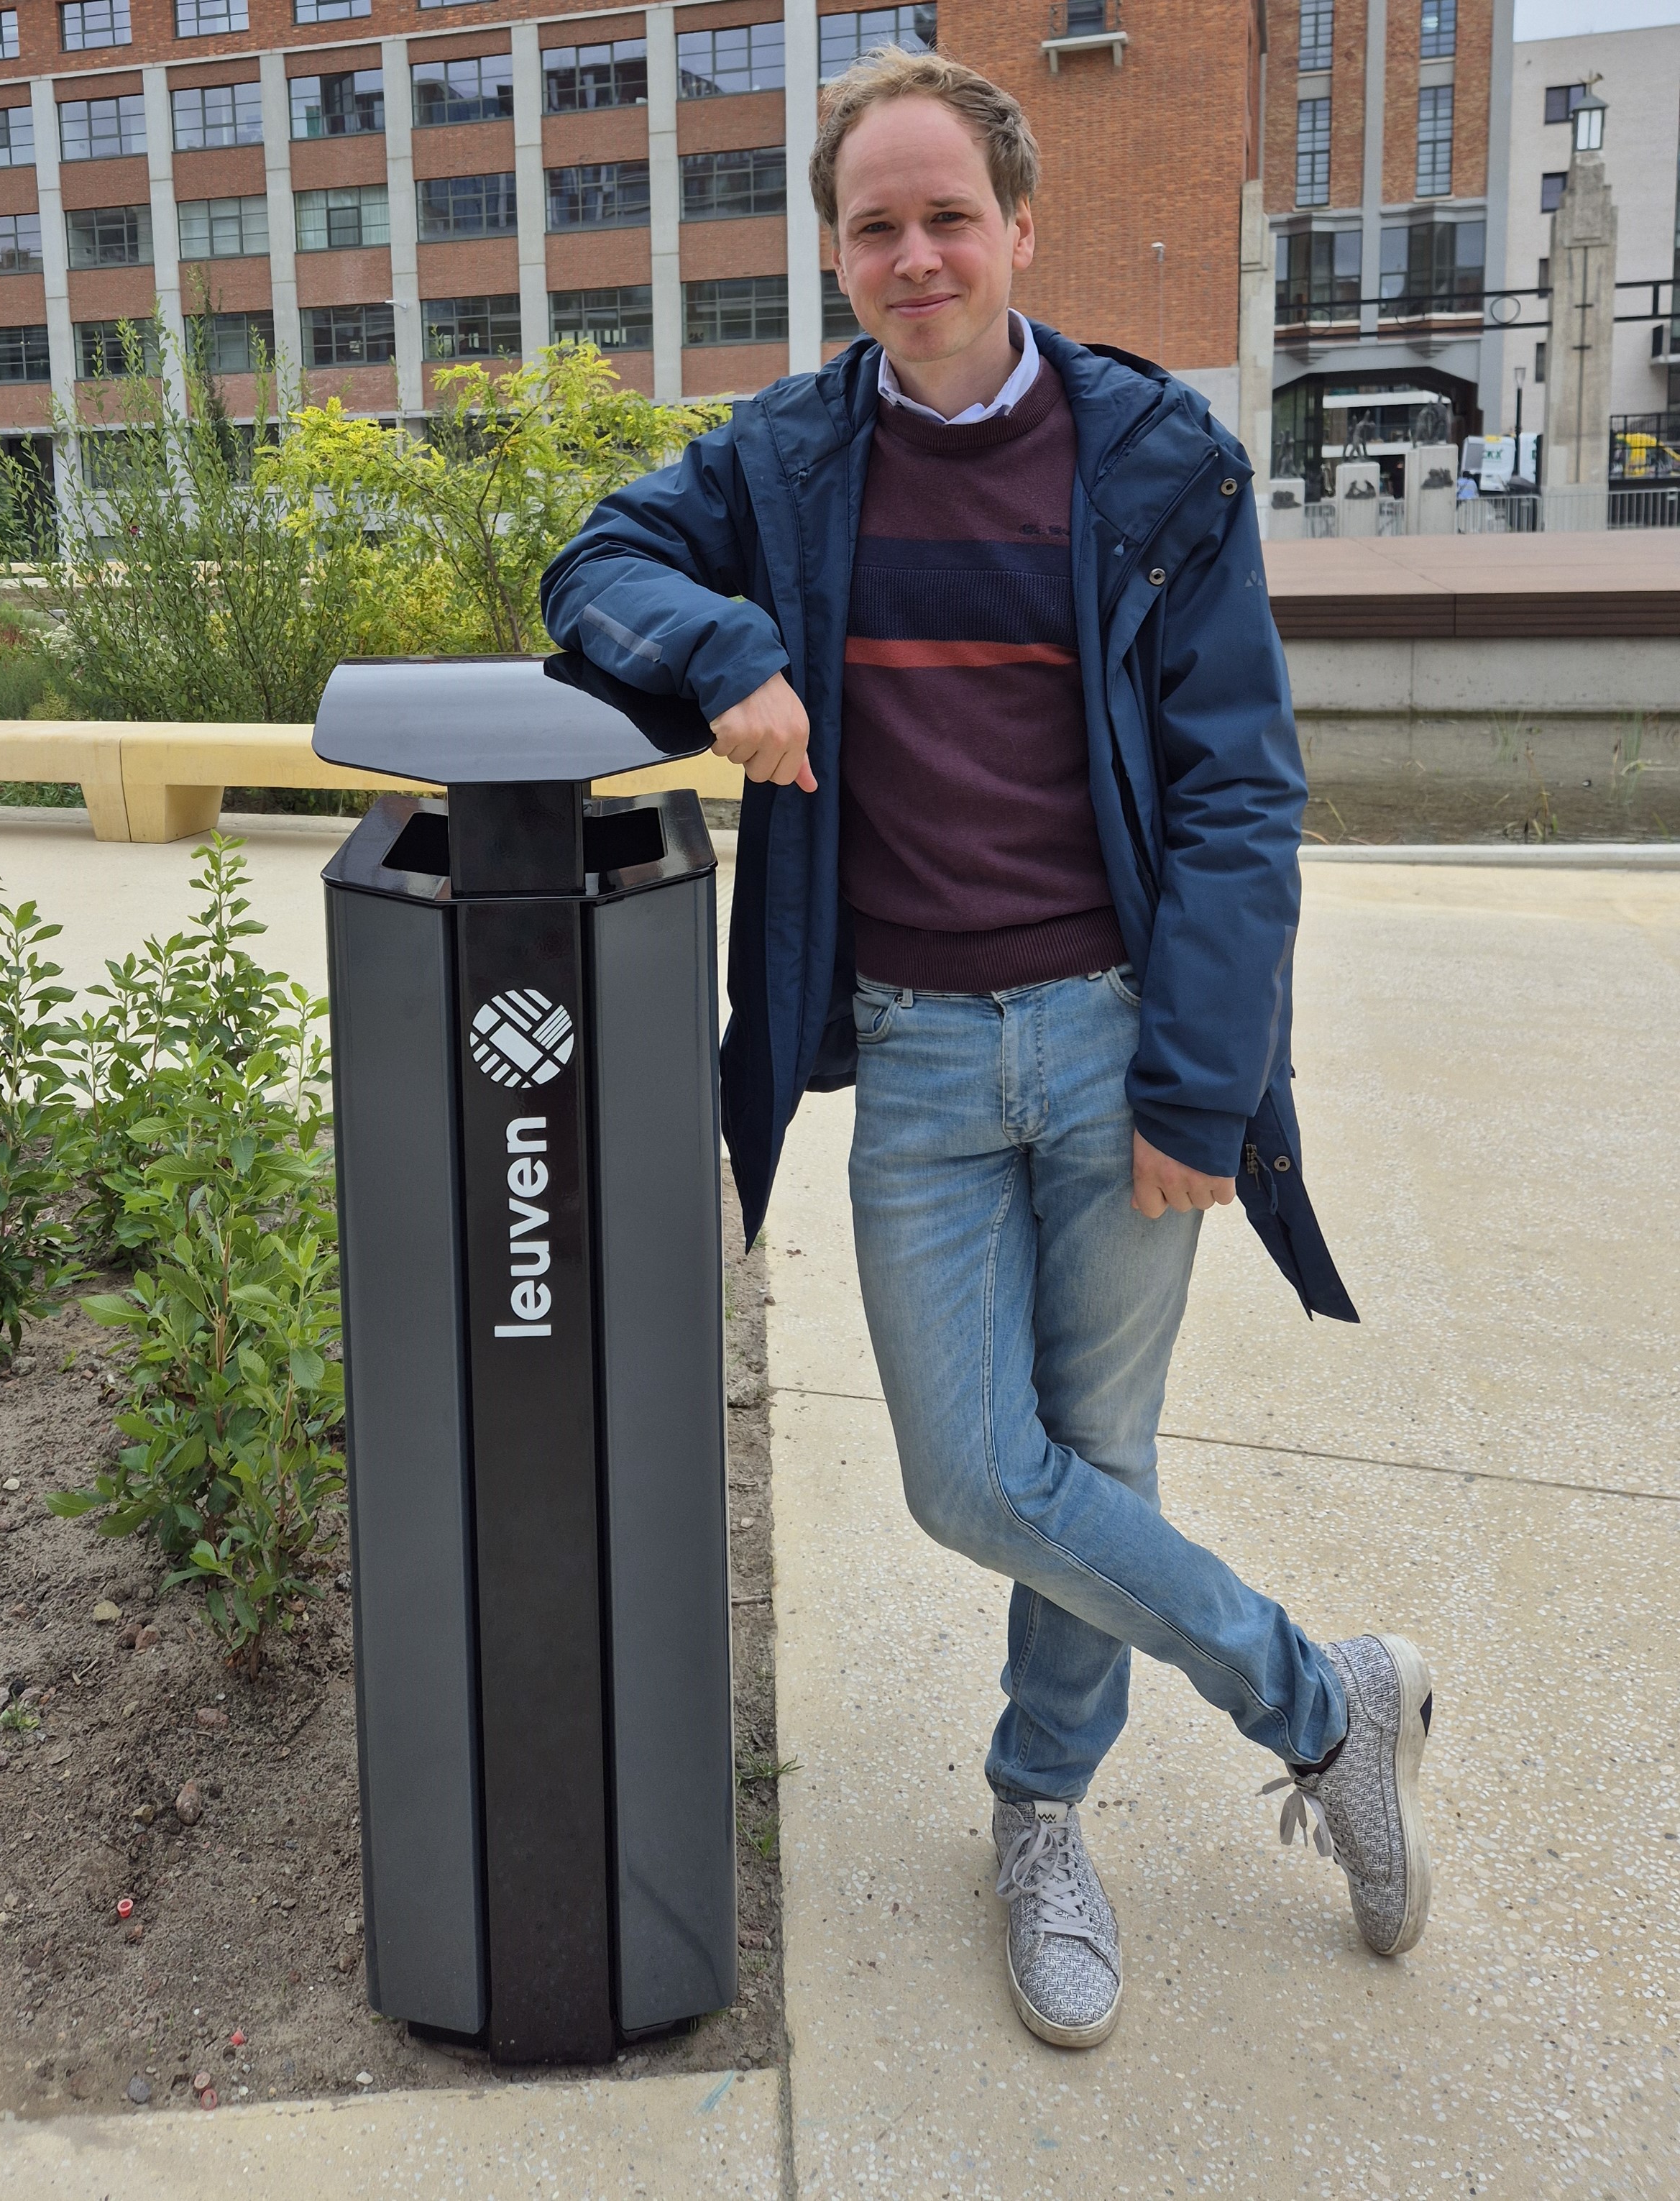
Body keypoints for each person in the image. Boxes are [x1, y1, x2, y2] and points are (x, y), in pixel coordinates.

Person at [539, 48, 1433, 2051]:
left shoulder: (1154, 463)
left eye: (951, 217)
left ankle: (1039, 1818)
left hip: (1126, 1046)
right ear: (839, 251)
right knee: (976, 1475)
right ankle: (1324, 1698)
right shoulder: (778, 465)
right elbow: (588, 571)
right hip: (921, 1063)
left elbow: (1236, 795)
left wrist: (1204, 1087)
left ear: (1021, 229)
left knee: (1091, 1463)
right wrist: (728, 652)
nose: (916, 254)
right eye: (877, 225)